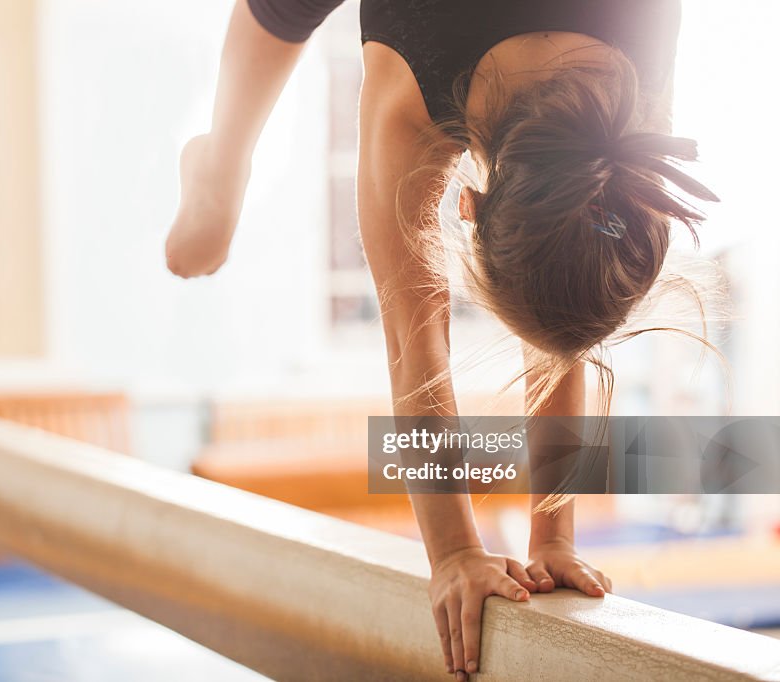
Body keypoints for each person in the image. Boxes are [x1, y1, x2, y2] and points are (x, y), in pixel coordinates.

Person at [165, 1, 718, 679]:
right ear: (469, 204)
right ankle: (222, 167)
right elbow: (412, 339)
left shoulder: (632, 116)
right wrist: (453, 551)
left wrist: (554, 535)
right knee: (267, 47)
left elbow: (569, 300)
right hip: (429, 21)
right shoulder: (408, 97)